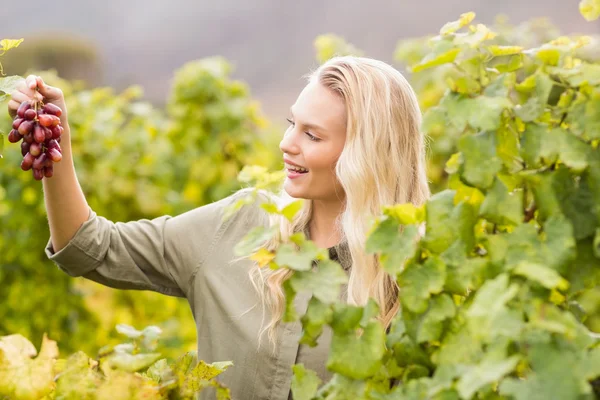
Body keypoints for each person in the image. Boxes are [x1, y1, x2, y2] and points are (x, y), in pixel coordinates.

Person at [7, 55, 430, 399]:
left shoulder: (415, 271)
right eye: (291, 123)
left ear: (367, 155)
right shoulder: (239, 225)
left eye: (313, 136)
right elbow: (88, 247)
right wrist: (54, 137)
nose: (287, 143)